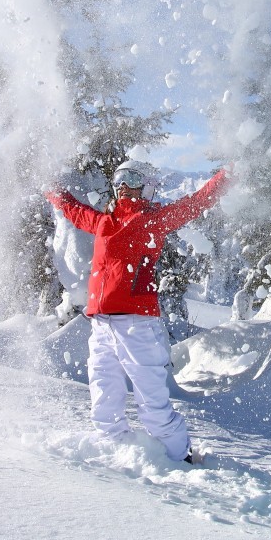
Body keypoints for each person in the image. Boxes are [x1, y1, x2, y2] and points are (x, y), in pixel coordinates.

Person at [47, 160, 230, 463]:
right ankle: (113, 448)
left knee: (152, 402)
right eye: (118, 178)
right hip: (102, 323)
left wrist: (225, 177)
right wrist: (52, 190)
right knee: (103, 396)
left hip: (137, 324)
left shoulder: (152, 220)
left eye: (131, 178)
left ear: (146, 185)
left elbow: (195, 203)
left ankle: (179, 457)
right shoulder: (104, 221)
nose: (122, 185)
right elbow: (73, 210)